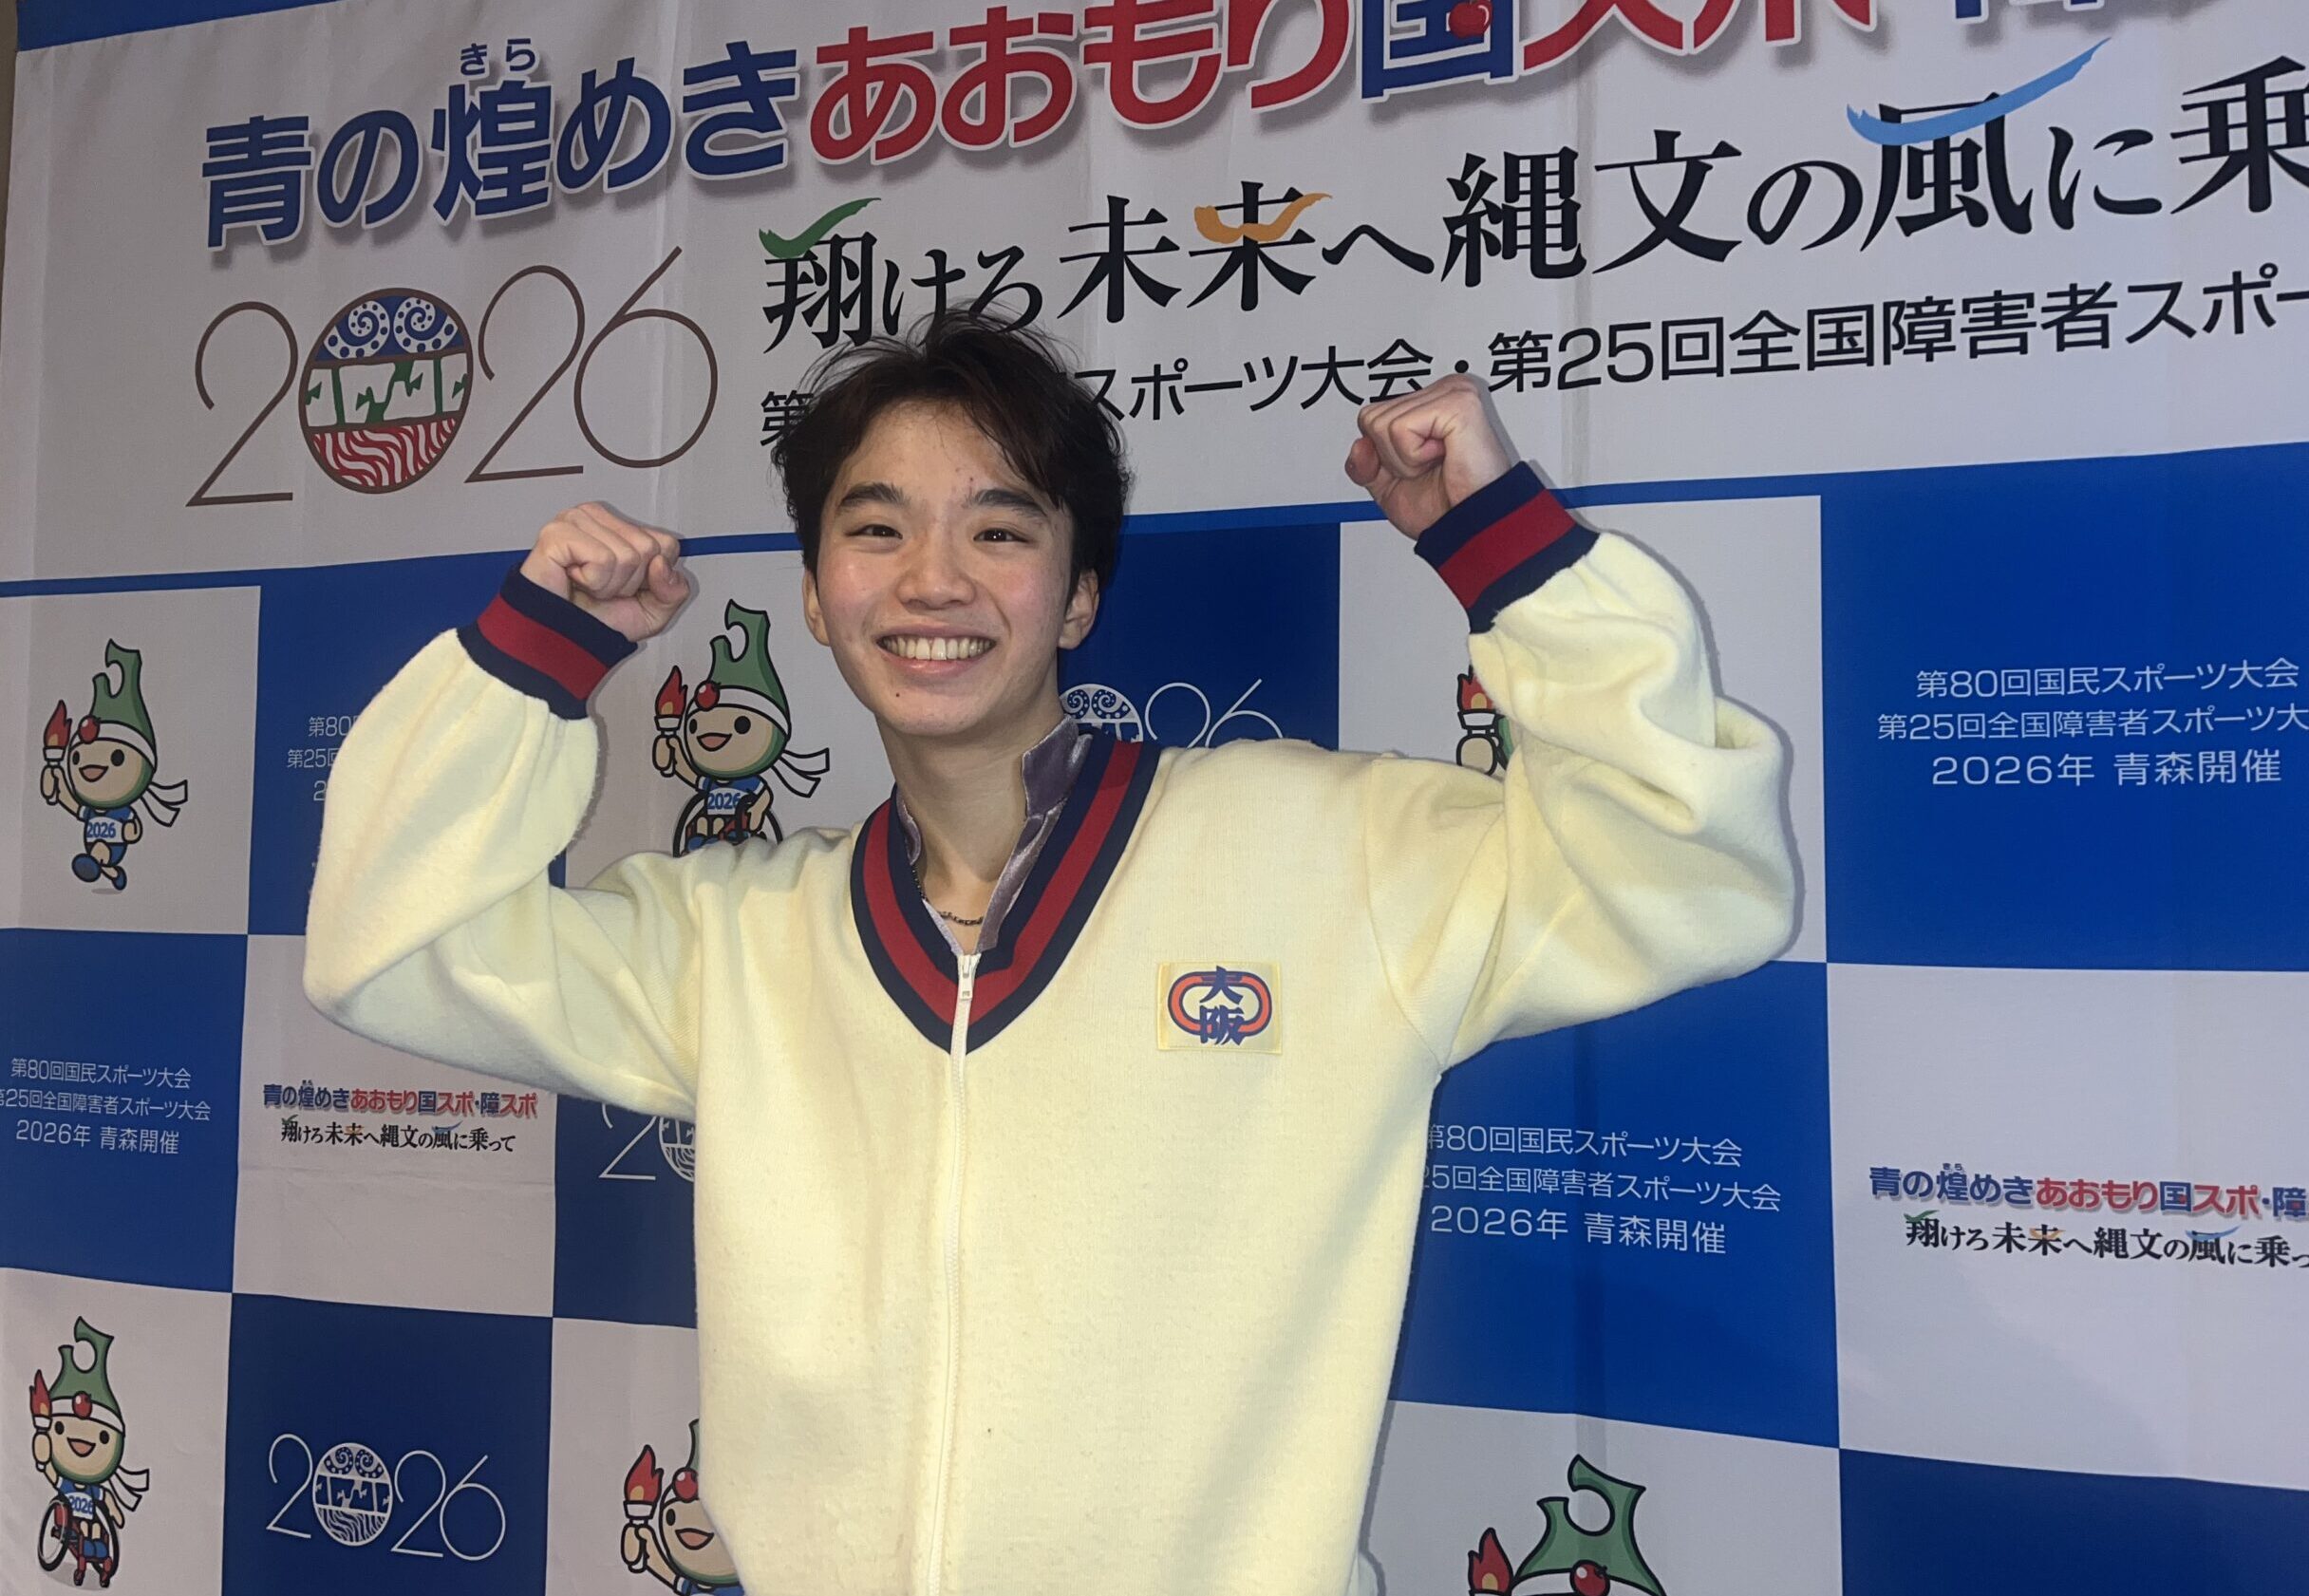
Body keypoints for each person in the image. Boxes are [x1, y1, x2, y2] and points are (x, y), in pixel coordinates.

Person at [305, 310, 1794, 1596]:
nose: (932, 579)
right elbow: (389, 947)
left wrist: (1506, 547)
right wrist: (533, 657)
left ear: (1080, 593)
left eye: (1001, 530)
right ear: (815, 594)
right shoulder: (737, 936)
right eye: (876, 528)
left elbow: (1689, 869)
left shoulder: (1328, 857)